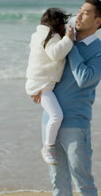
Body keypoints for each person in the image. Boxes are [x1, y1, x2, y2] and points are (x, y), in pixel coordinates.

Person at [31, 0, 101, 196]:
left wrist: (71, 45)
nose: (79, 15)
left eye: (86, 12)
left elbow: (83, 79)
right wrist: (38, 89)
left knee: (82, 179)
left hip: (76, 122)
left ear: (98, 21)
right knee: (57, 180)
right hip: (49, 120)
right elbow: (39, 61)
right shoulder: (60, 39)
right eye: (79, 10)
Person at [26, 8, 75, 165]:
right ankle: (48, 147)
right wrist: (68, 38)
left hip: (38, 82)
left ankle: (49, 145)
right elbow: (55, 54)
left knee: (54, 115)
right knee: (56, 116)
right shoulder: (51, 36)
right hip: (42, 85)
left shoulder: (37, 35)